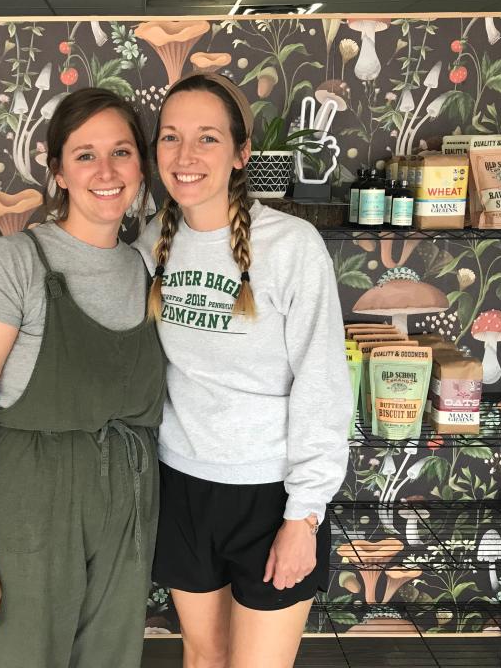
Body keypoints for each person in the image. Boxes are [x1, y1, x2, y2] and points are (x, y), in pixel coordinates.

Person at [135, 72, 351, 668]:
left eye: (207, 138)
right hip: (181, 486)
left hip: (271, 494)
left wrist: (304, 515)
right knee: (204, 658)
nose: (185, 156)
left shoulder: (291, 245)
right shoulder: (154, 240)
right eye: (171, 138)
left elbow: (324, 383)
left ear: (241, 153)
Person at [0, 87, 166, 668]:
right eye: (85, 154)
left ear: (140, 165)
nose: (106, 170)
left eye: (121, 152)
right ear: (59, 171)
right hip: (31, 502)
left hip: (129, 499)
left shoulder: (148, 265)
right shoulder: (11, 264)